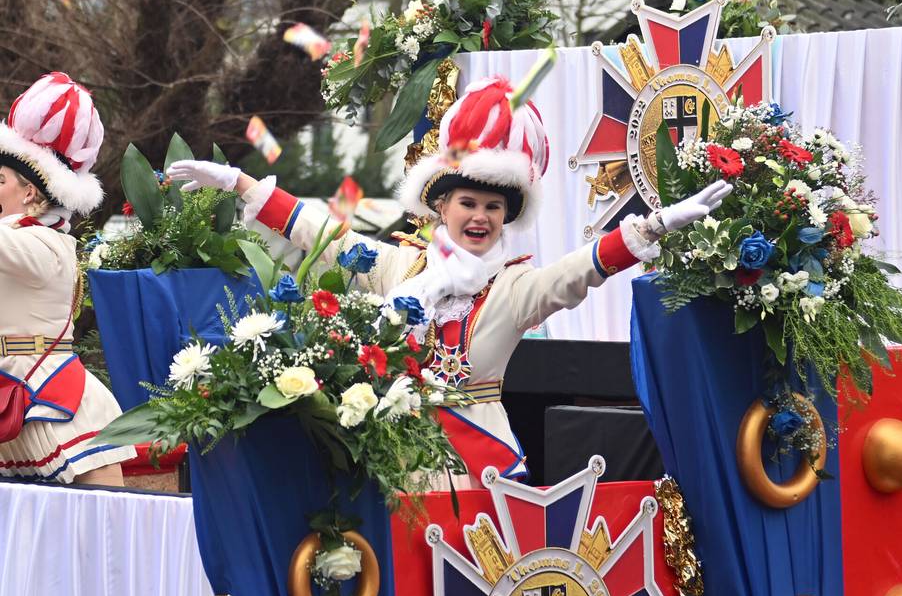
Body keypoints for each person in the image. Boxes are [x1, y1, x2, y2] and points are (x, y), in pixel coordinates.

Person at [167, 77, 730, 488]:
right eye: (468, 202)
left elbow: (579, 270)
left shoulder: (514, 287)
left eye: (493, 206)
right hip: (392, 456)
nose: (480, 216)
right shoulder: (398, 267)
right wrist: (240, 183)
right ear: (441, 205)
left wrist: (654, 226)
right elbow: (323, 234)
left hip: (477, 471)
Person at [0, 73, 135, 486]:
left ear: (29, 192)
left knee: (95, 524)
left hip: (51, 403)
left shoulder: (45, 244)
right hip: (14, 389)